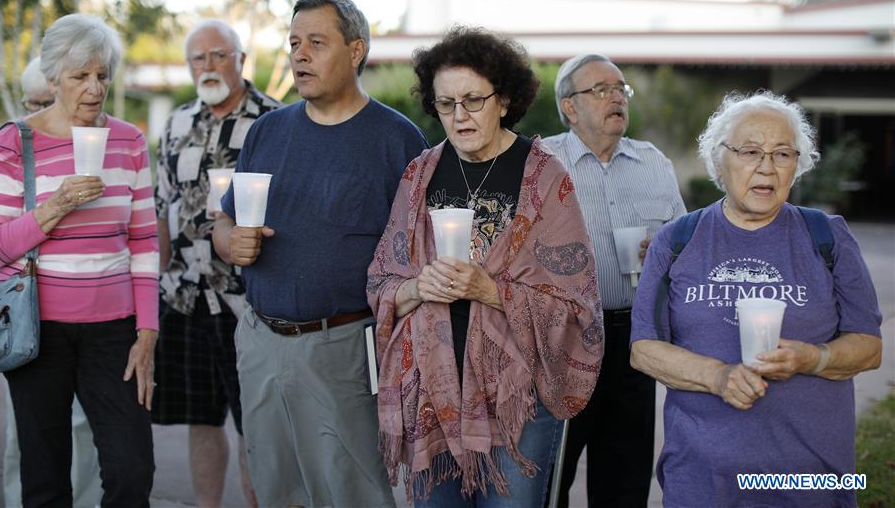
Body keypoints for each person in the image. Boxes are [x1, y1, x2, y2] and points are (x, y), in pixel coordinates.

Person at [367, 27, 605, 507]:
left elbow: (576, 303)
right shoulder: (419, 174)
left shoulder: (544, 178)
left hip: (518, 397)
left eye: (474, 100)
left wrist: (489, 289)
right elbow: (382, 280)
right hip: (432, 392)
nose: (459, 116)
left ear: (504, 99)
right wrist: (418, 287)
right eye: (446, 103)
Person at [211, 0, 428, 508]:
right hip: (260, 340)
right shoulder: (267, 131)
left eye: (315, 42)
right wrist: (230, 243)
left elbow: (421, 254)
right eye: (293, 44)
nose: (299, 55)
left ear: (355, 51)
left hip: (346, 346)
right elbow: (224, 220)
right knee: (274, 488)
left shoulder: (398, 140)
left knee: (353, 492)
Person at [629, 91, 883, 507]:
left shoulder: (828, 237)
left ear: (797, 165)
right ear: (719, 160)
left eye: (783, 154)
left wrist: (811, 358)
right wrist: (719, 377)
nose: (767, 167)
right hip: (702, 483)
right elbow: (644, 350)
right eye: (750, 151)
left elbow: (869, 347)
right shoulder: (677, 241)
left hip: (812, 481)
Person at [0, 14, 158, 507]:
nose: (95, 88)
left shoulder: (129, 141)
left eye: (102, 75)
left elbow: (144, 241)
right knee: (44, 480)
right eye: (80, 76)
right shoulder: (14, 142)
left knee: (132, 470)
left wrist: (147, 332)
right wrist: (57, 205)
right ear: (52, 80)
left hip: (115, 331)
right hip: (37, 331)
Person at [543, 54, 686, 508]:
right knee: (550, 477)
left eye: (620, 88)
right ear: (569, 107)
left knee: (625, 478)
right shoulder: (539, 162)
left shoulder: (653, 163)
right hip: (562, 337)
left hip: (634, 336)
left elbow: (683, 246)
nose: (616, 98)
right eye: (601, 90)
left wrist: (667, 249)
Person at [153, 19, 280, 508]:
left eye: (219, 55)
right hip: (185, 296)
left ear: (241, 60)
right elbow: (163, 201)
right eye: (198, 58)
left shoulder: (273, 120)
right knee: (201, 421)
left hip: (248, 299)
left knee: (257, 425)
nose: (208, 66)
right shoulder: (176, 122)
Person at [1, 57, 103, 508]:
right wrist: (53, 207)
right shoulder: (14, 145)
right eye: (36, 103)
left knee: (83, 426)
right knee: (28, 432)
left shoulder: (95, 145)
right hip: (28, 310)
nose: (47, 112)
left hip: (85, 315)